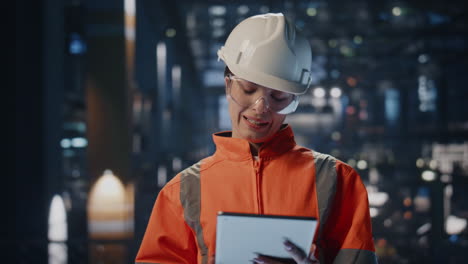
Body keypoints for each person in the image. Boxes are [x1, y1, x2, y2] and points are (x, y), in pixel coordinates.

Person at [136, 13, 377, 264]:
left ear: (294, 99)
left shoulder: (337, 180)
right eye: (249, 89)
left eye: (278, 97)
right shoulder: (182, 192)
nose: (261, 107)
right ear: (228, 85)